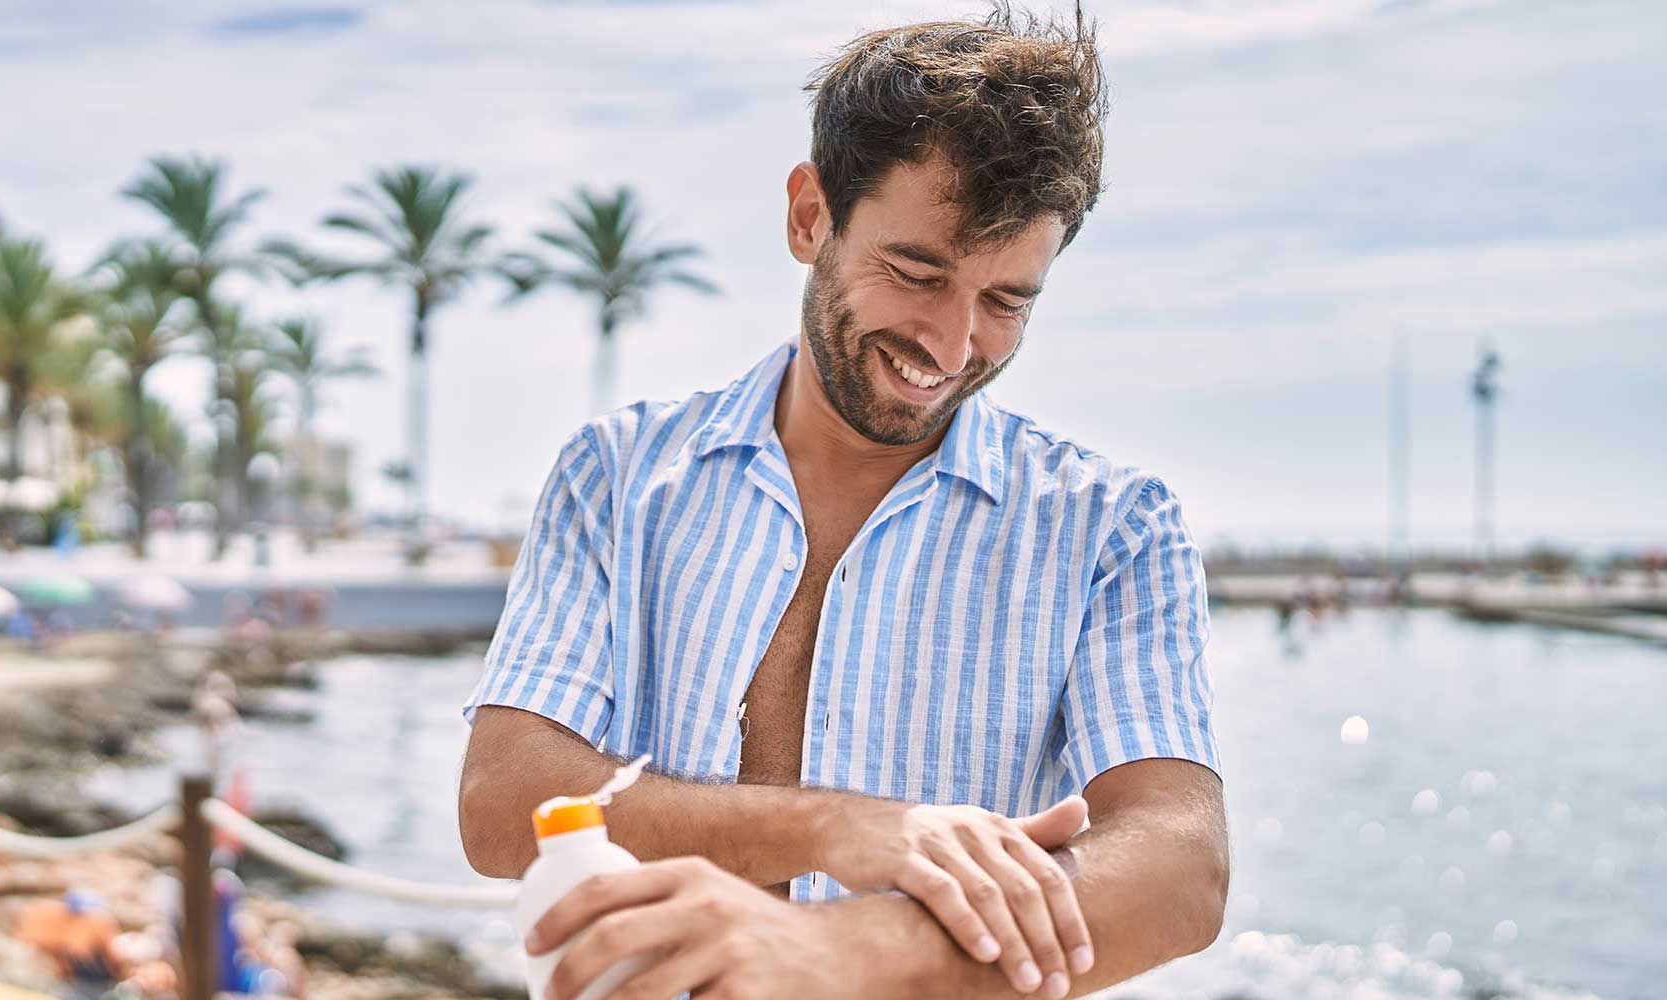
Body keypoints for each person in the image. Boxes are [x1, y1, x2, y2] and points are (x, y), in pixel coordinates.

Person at [457, 7, 1226, 1000]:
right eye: (916, 273)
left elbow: (1178, 868)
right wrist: (835, 828)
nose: (949, 350)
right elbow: (498, 797)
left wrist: (840, 950)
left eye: (1005, 302)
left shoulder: (1112, 528)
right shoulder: (616, 472)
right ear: (808, 214)